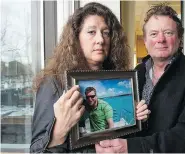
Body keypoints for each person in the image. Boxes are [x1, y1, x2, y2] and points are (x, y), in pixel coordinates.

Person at [95, 3, 185, 153]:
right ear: (146, 42)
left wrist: (132, 147)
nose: (161, 39)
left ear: (179, 39)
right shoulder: (136, 73)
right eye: (154, 34)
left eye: (168, 32)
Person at [30, 2, 150, 153]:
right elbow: (37, 151)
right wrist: (59, 130)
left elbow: (123, 136)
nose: (100, 39)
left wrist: (138, 120)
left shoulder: (116, 77)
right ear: (76, 37)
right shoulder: (54, 83)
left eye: (106, 33)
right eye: (91, 32)